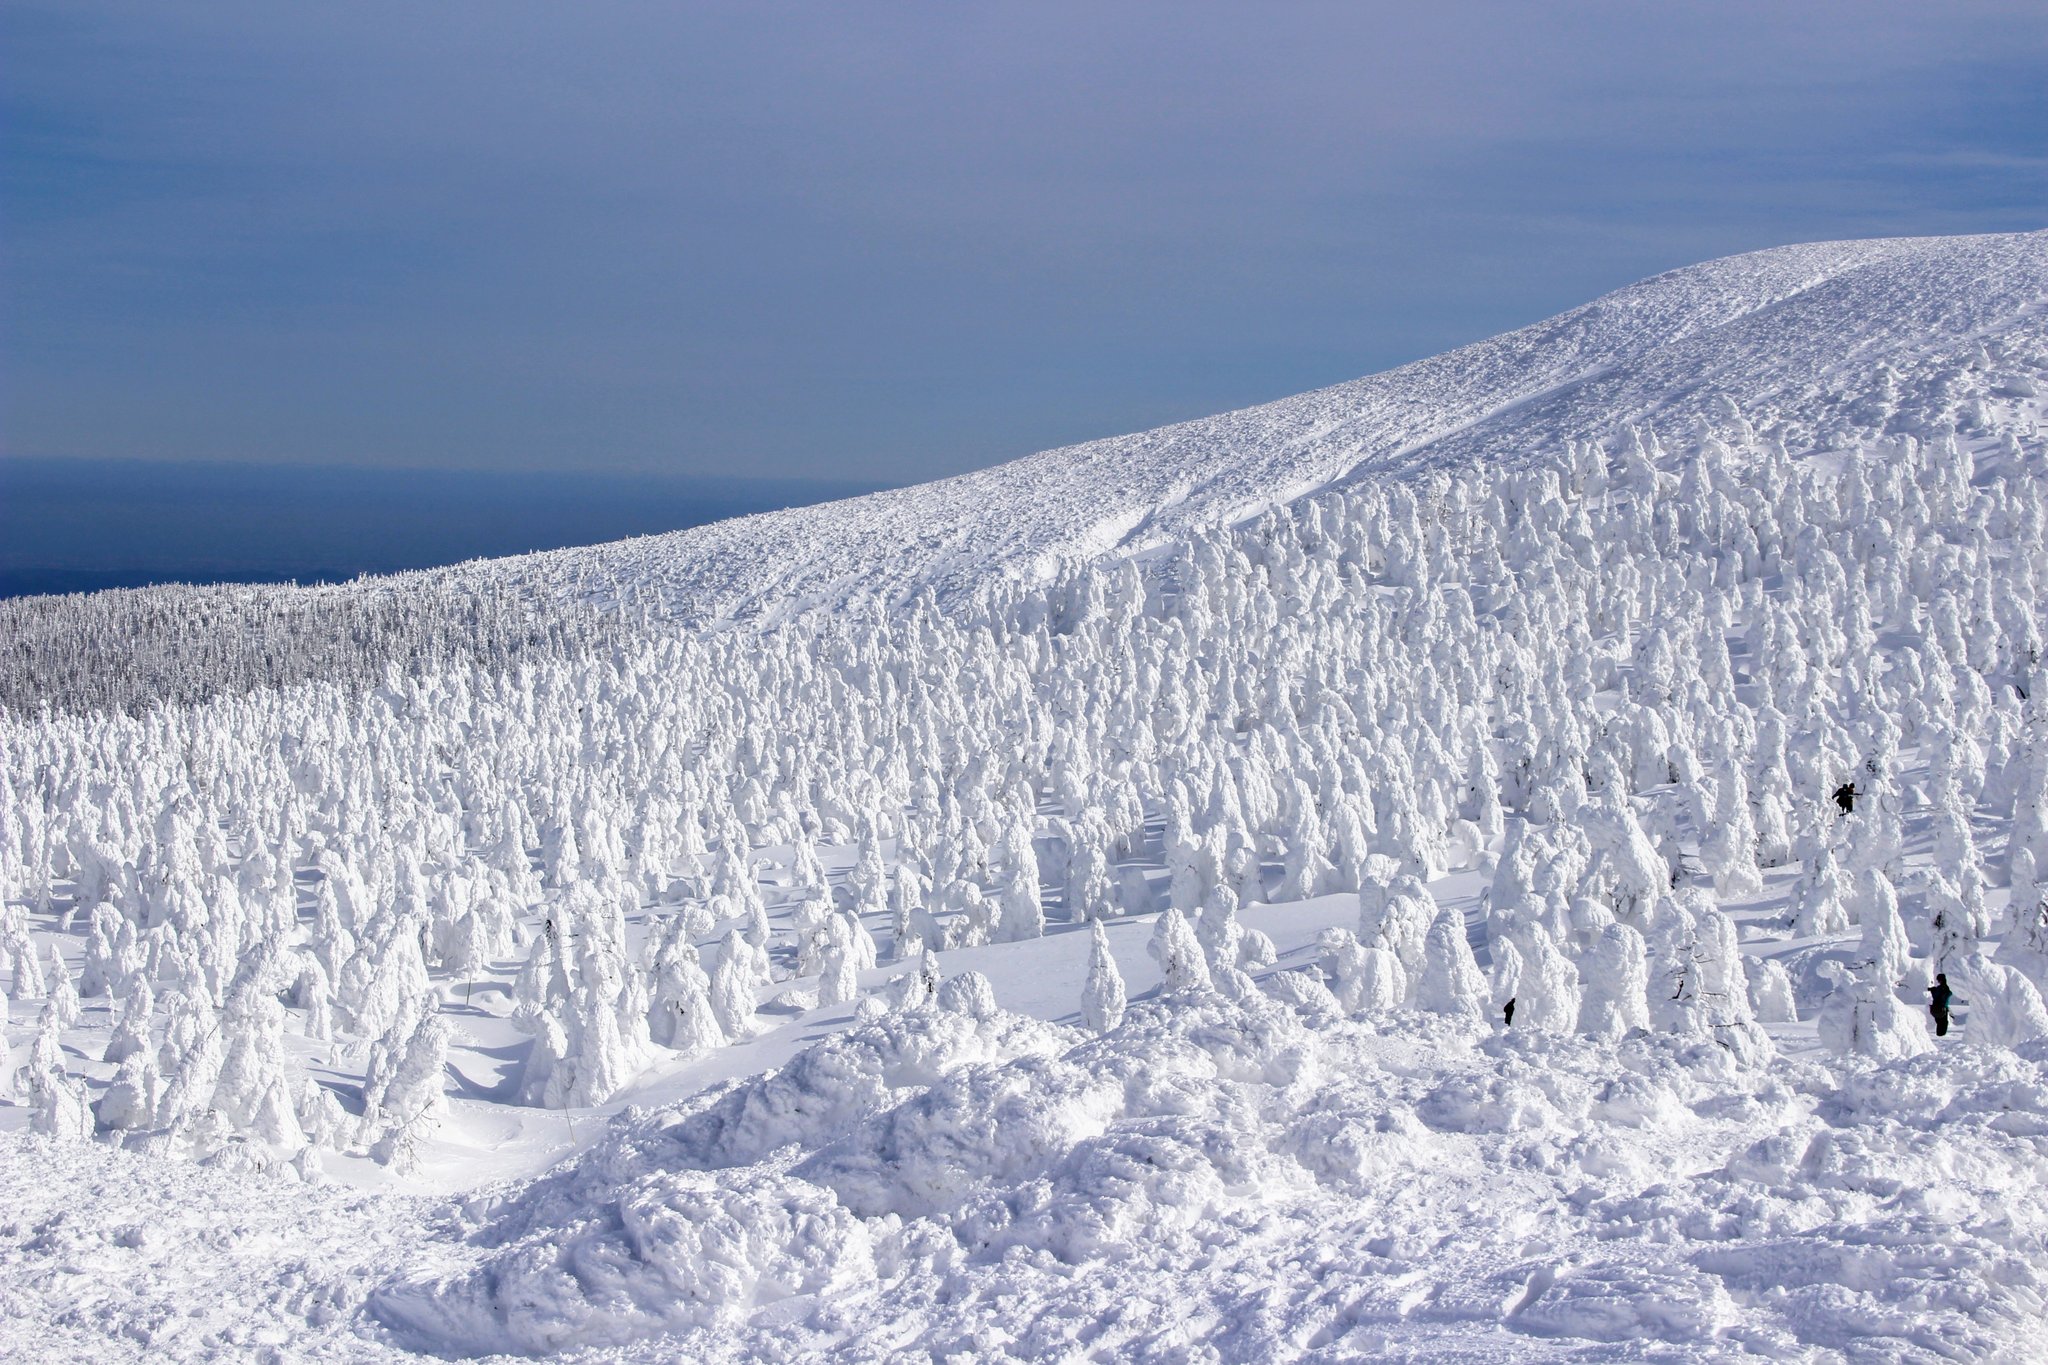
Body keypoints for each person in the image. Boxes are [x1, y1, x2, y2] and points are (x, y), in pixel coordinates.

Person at [1928, 973, 1952, 1037]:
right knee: (1943, 1022)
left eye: (1938, 980)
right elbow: (1949, 994)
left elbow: (1936, 996)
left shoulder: (1941, 988)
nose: (1938, 981)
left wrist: (1933, 990)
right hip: (1943, 1008)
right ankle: (1941, 1035)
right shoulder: (1947, 988)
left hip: (1939, 1008)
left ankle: (1940, 1034)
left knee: (1940, 1021)